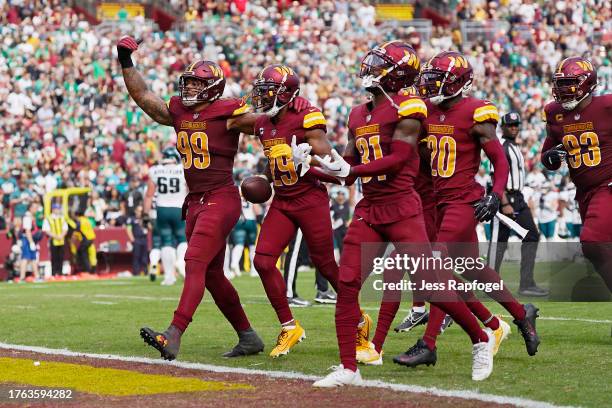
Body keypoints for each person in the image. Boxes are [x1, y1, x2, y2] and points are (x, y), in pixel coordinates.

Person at [311, 42, 496, 386]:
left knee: (430, 283)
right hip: (370, 207)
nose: (370, 66)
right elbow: (348, 165)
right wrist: (311, 167)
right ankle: (349, 368)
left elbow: (397, 157)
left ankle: (481, 338)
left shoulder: (410, 106)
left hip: (401, 207)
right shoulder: (356, 113)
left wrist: (349, 172)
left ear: (396, 73)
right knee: (348, 283)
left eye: (381, 63)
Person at [118, 36, 311, 360]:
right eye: (188, 83)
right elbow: (143, 96)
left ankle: (173, 334)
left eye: (196, 84)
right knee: (212, 274)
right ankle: (248, 337)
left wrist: (295, 108)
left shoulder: (230, 112)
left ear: (213, 88)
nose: (189, 89)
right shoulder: (178, 110)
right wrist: (126, 61)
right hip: (194, 202)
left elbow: (268, 121)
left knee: (194, 263)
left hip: (220, 199)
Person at [395, 51, 540, 368]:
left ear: (457, 83)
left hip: (463, 200)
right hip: (437, 201)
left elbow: (499, 159)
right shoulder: (426, 111)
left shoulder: (476, 112)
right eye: (429, 79)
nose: (430, 85)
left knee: (437, 269)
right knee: (473, 268)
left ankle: (428, 343)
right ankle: (520, 314)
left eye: (437, 79)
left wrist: (496, 193)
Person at [250, 64, 372, 358]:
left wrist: (313, 163)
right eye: (262, 91)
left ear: (287, 95)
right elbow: (274, 161)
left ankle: (358, 321)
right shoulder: (263, 124)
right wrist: (264, 180)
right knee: (263, 261)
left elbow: (328, 157)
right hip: (282, 200)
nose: (262, 97)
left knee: (326, 264)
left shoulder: (306, 115)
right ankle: (289, 326)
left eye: (269, 92)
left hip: (310, 199)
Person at [540, 56, 612, 292]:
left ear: (586, 83)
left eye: (568, 83)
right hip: (584, 192)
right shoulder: (555, 113)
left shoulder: (606, 106)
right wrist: (549, 157)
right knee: (596, 250)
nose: (562, 90)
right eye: (559, 84)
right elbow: (548, 155)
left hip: (607, 186)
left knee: (592, 243)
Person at [487, 112, 548, 296]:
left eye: (516, 124)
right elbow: (494, 175)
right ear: (503, 127)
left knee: (532, 236)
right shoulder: (502, 147)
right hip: (505, 198)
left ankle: (526, 284)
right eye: (510, 125)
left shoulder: (514, 146)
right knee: (499, 243)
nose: (514, 127)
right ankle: (489, 284)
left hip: (519, 199)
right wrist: (504, 201)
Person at [143, 147, 188, 286]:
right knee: (182, 238)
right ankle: (181, 260)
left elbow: (149, 195)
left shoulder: (155, 170)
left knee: (165, 241)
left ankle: (169, 277)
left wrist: (145, 214)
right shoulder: (182, 169)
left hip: (162, 209)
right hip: (179, 208)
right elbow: (189, 190)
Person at [42, 202, 68, 276]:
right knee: (54, 257)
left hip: (61, 240)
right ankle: (54, 272)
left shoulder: (62, 218)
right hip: (53, 240)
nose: (58, 210)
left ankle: (60, 272)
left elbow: (65, 228)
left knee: (61, 257)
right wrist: (56, 236)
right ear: (53, 209)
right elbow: (46, 230)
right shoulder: (48, 218)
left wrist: (61, 235)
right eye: (56, 209)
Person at [19, 202, 40, 282]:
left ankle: (37, 276)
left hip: (30, 239)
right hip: (27, 239)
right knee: (25, 258)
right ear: (30, 208)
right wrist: (31, 242)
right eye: (34, 207)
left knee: (33, 258)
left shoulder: (31, 216)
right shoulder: (27, 217)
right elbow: (27, 231)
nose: (36, 209)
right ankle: (22, 277)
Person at [127, 205, 149, 276]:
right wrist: (132, 239)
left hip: (144, 239)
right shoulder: (132, 219)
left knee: (145, 256)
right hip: (137, 239)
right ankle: (136, 272)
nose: (140, 212)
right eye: (139, 211)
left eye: (141, 211)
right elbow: (128, 229)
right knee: (136, 256)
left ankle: (145, 271)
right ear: (135, 211)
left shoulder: (144, 219)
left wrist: (144, 222)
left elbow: (150, 228)